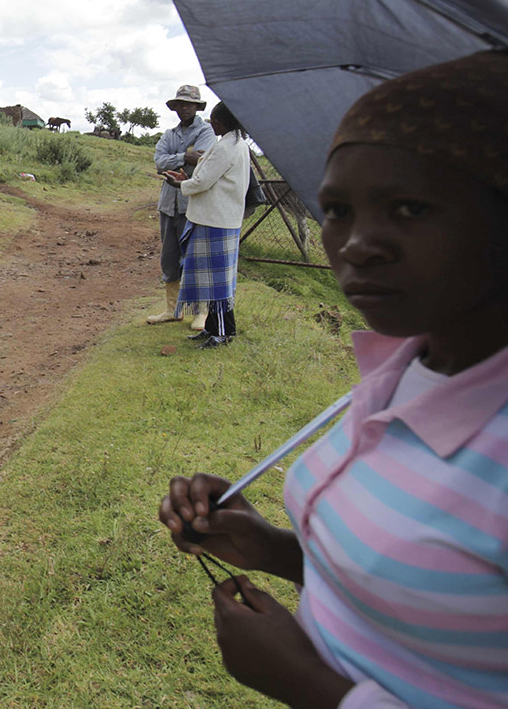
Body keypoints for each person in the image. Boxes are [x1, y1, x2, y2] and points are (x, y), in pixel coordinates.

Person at [158, 51, 508, 708]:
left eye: (407, 207)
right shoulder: (400, 371)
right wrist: (271, 548)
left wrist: (317, 691)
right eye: (338, 210)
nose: (354, 242)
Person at [162, 102, 250, 349]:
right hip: (220, 219)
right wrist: (189, 181)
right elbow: (208, 180)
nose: (212, 124)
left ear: (223, 123)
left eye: (214, 120)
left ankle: (222, 332)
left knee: (216, 281)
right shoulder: (236, 145)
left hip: (215, 222)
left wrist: (181, 184)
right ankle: (213, 328)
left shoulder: (225, 148)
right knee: (213, 280)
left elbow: (203, 182)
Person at [148, 85, 215, 328]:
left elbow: (204, 161)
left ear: (197, 107)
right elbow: (159, 162)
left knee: (195, 258)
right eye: (180, 104)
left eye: (189, 104)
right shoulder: (169, 134)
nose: (184, 108)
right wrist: (184, 157)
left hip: (193, 206)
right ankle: (172, 309)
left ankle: (201, 311)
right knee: (169, 258)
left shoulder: (207, 132)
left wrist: (179, 159)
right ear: (175, 107)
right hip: (168, 205)